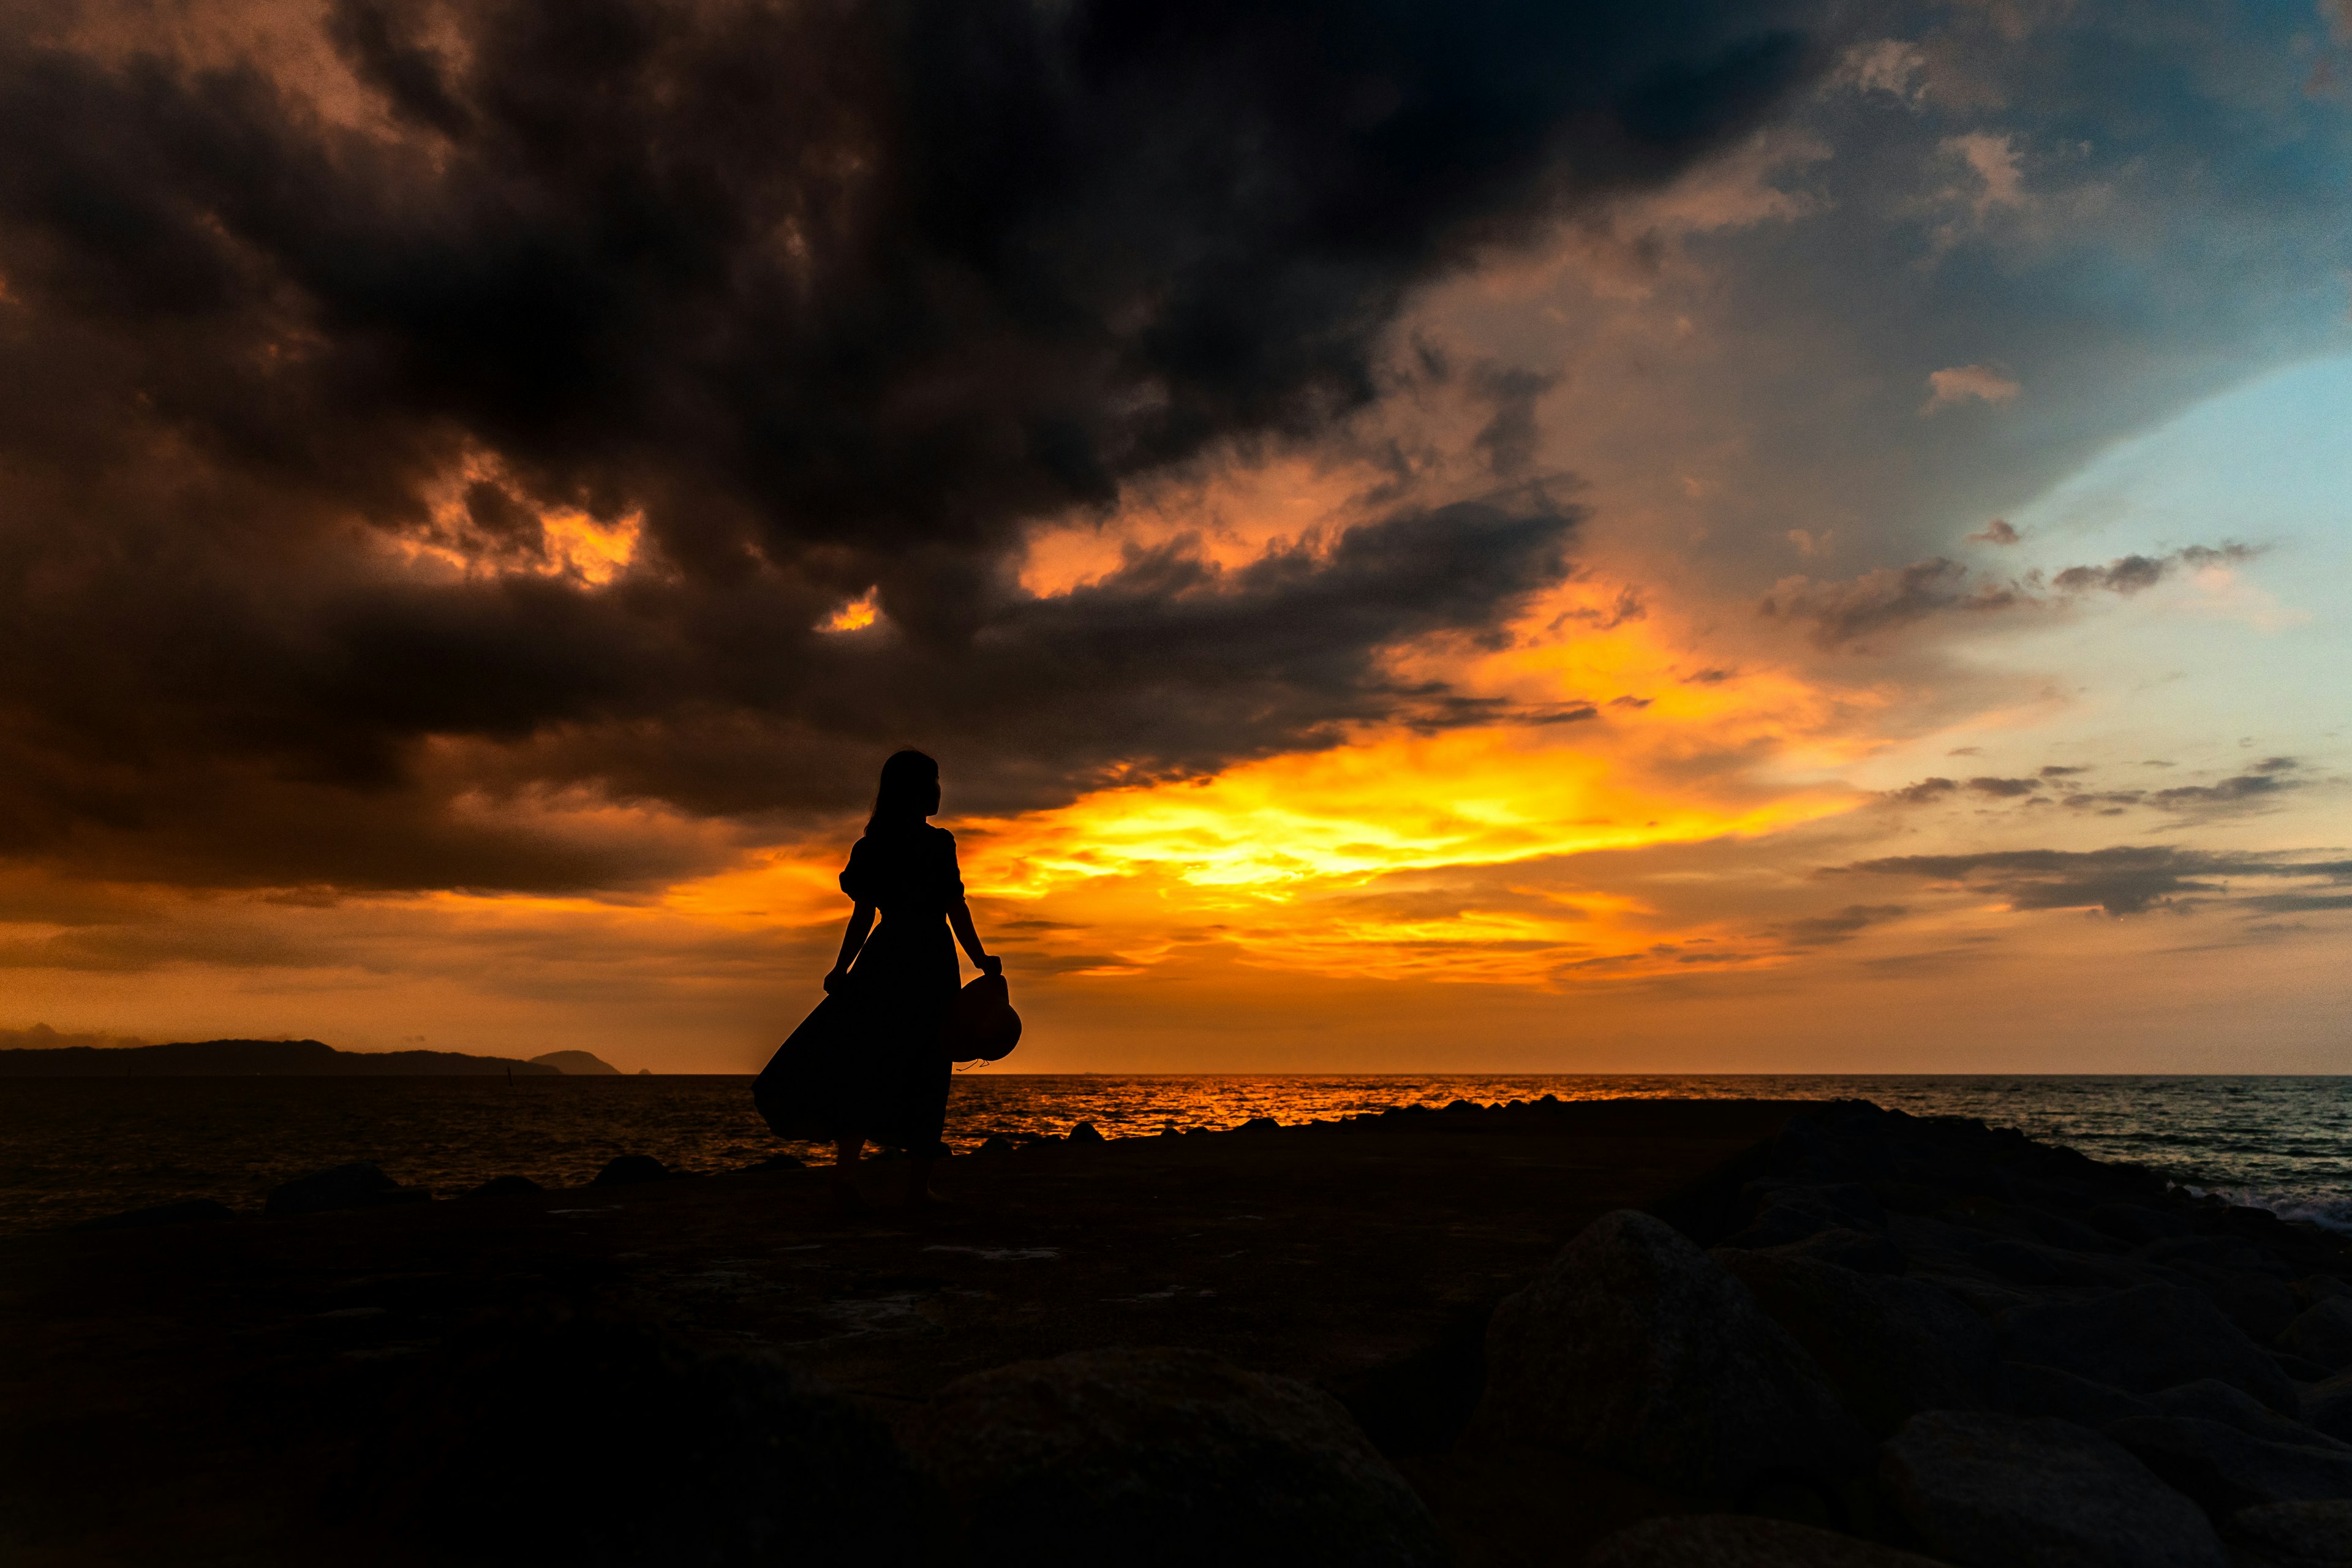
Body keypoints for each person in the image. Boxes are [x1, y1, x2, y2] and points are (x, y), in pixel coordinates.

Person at [821, 748, 999, 1210]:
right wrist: (979, 958)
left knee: (871, 1064)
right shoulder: (938, 845)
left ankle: (847, 1175)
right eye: (933, 782)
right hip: (929, 962)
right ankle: (916, 1188)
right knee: (928, 1067)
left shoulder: (873, 846)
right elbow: (955, 907)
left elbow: (864, 915)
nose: (940, 791)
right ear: (915, 791)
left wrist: (843, 968)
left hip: (886, 957)